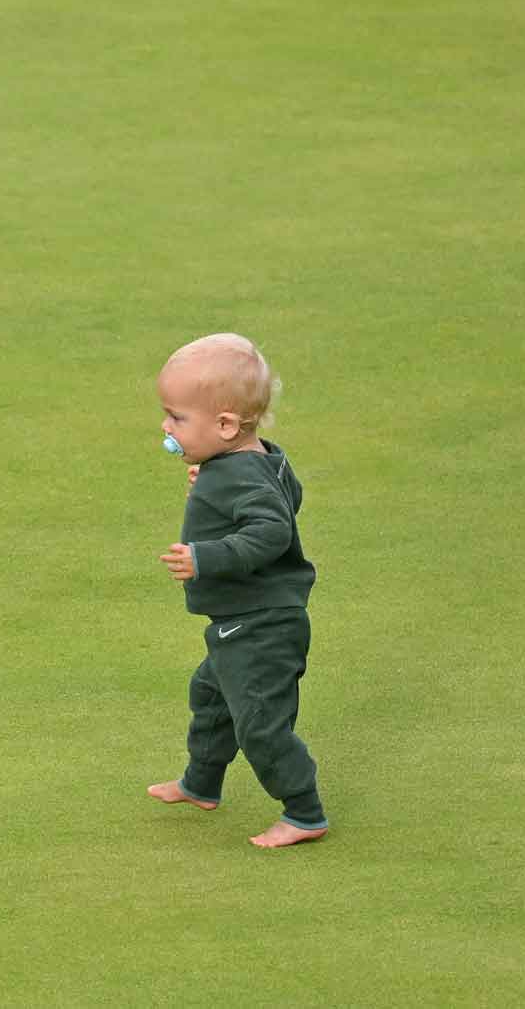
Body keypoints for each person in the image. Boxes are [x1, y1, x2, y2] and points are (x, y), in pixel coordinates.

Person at [145, 333, 328, 848]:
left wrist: (205, 557)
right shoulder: (253, 460)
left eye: (177, 418)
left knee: (260, 722)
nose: (166, 427)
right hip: (242, 621)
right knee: (211, 696)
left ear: (225, 425)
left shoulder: (238, 473)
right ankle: (202, 782)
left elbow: (272, 531)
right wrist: (212, 482)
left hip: (263, 624)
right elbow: (285, 494)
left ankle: (303, 811)